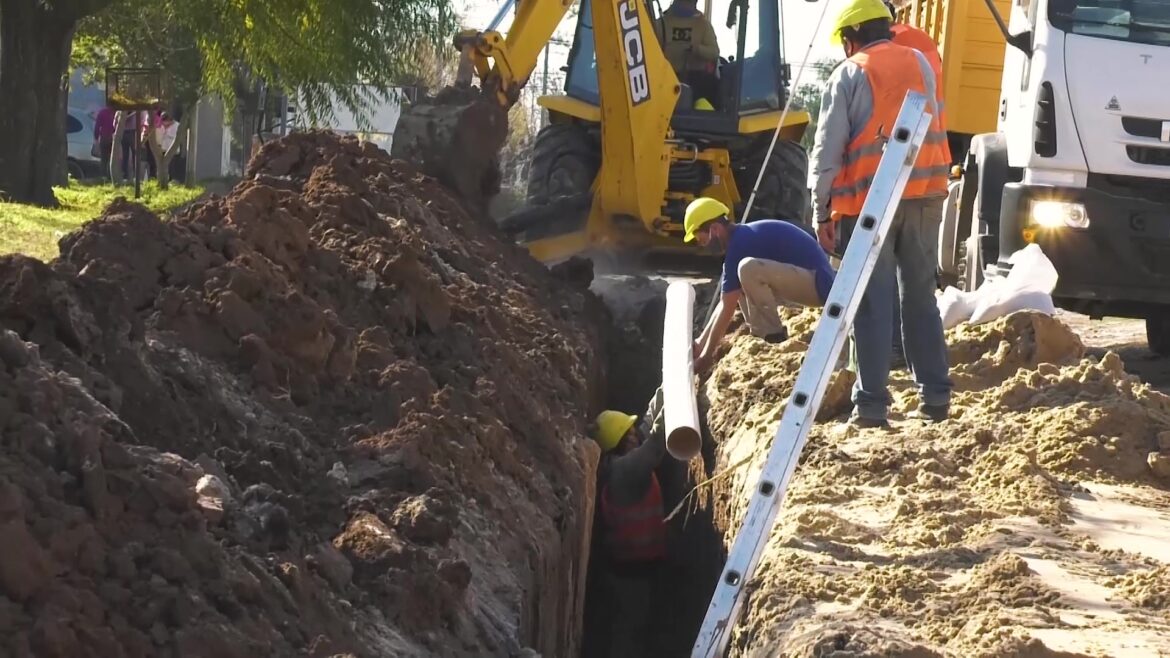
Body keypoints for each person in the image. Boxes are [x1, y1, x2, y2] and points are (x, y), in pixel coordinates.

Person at [810, 0, 953, 428]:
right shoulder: (921, 62)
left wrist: (821, 213)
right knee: (920, 296)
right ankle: (935, 400)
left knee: (873, 302)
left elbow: (826, 152)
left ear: (849, 37)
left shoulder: (851, 72)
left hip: (871, 202)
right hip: (927, 193)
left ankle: (872, 407)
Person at [687, 197, 837, 373]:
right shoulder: (740, 240)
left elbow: (727, 308)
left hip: (820, 285)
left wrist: (706, 357)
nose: (703, 245)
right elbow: (725, 301)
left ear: (714, 230)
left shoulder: (740, 244)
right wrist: (700, 343)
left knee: (747, 269)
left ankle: (772, 336)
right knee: (739, 280)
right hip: (807, 282)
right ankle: (761, 333)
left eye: (702, 239)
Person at [591, 389, 668, 658]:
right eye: (629, 431)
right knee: (629, 632)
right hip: (631, 576)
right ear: (620, 442)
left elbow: (649, 421)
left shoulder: (621, 462)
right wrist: (685, 389)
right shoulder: (625, 471)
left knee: (632, 625)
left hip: (630, 569)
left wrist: (669, 387)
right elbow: (657, 441)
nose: (636, 432)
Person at [658, 0, 721, 109]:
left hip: (697, 81)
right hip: (666, 79)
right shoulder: (660, 24)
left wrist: (697, 49)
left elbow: (714, 52)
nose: (686, 3)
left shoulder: (703, 25)